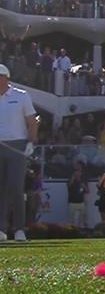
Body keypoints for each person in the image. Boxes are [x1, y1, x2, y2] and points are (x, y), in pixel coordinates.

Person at [0, 63, 39, 242]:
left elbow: (31, 122)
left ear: (6, 78)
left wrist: (31, 142)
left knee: (16, 187)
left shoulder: (21, 96)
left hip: (17, 147)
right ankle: (1, 229)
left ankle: (19, 229)